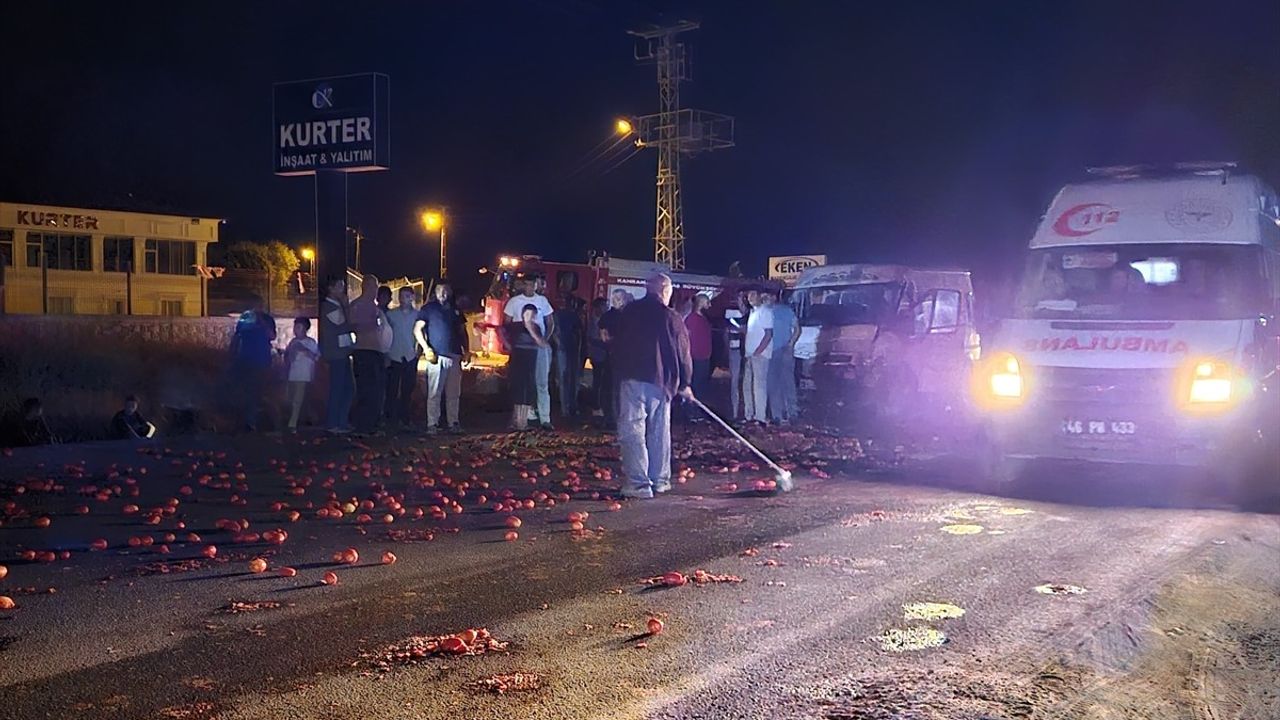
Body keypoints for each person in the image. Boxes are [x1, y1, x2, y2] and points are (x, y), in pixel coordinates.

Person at [613, 273, 694, 499]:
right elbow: (683, 352)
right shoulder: (671, 317)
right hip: (661, 382)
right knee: (659, 431)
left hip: (631, 377)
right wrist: (685, 382)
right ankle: (659, 480)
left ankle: (638, 484)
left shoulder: (629, 312)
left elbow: (616, 343)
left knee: (633, 430)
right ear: (665, 291)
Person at [415, 281, 470, 434]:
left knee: (454, 393)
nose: (443, 293)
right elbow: (417, 330)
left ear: (450, 292)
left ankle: (454, 423)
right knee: (434, 393)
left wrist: (467, 351)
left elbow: (462, 332)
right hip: (437, 356)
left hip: (455, 356)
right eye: (440, 290)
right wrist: (426, 349)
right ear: (435, 292)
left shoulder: (456, 310)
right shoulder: (428, 309)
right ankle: (432, 424)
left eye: (446, 290)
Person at [502, 278, 555, 429]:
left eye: (533, 284)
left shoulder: (543, 301)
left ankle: (545, 419)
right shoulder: (514, 301)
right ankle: (519, 419)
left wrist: (544, 339)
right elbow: (505, 324)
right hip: (521, 348)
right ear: (523, 285)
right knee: (521, 384)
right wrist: (508, 343)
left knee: (542, 382)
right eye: (528, 283)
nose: (530, 287)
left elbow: (550, 321)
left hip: (538, 347)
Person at [228, 296, 276, 432]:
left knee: (256, 391)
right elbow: (237, 336)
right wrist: (231, 354)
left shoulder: (267, 319)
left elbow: (272, 336)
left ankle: (253, 421)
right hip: (243, 360)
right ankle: (243, 421)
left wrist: (260, 321)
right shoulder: (245, 319)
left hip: (261, 361)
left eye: (257, 305)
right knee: (243, 390)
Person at [349, 276, 389, 435]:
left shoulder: (374, 307)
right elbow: (353, 326)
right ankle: (363, 426)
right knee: (366, 390)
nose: (375, 290)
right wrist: (373, 323)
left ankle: (372, 424)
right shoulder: (357, 305)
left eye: (376, 286)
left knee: (377, 391)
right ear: (365, 286)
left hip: (377, 352)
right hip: (364, 352)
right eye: (373, 286)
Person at [320, 276, 356, 434]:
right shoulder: (329, 307)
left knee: (348, 388)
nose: (343, 290)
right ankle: (333, 423)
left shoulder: (336, 305)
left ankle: (341, 421)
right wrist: (347, 306)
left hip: (343, 351)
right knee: (339, 388)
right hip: (336, 353)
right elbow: (345, 323)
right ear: (331, 288)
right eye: (340, 286)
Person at [502, 303, 546, 431]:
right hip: (517, 359)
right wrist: (507, 344)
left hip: (530, 361)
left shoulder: (536, 327)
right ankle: (517, 421)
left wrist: (530, 328)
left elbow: (542, 343)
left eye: (532, 315)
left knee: (528, 391)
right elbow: (500, 329)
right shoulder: (516, 326)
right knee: (518, 390)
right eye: (527, 314)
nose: (529, 317)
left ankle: (523, 422)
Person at [384, 286, 421, 429]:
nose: (402, 299)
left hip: (410, 356)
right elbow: (386, 335)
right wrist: (386, 353)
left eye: (406, 296)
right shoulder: (391, 315)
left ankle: (405, 418)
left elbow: (421, 334)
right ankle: (390, 419)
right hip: (394, 356)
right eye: (400, 296)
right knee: (391, 389)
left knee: (408, 389)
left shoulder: (418, 315)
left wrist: (418, 351)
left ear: (412, 297)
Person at [764, 290, 800, 424]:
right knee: (782, 382)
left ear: (773, 297)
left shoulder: (778, 311)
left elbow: (797, 329)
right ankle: (784, 413)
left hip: (778, 350)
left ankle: (783, 413)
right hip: (779, 350)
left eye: (767, 296)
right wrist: (791, 344)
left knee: (778, 383)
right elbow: (797, 329)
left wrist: (790, 344)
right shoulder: (783, 311)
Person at [597, 289, 631, 427]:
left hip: (625, 358)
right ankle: (611, 417)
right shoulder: (608, 316)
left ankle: (618, 418)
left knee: (621, 388)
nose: (617, 300)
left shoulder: (630, 315)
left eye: (620, 298)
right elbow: (603, 335)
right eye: (615, 298)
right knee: (610, 387)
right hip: (611, 357)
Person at [283, 318, 320, 433]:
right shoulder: (293, 342)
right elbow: (288, 357)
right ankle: (309, 418)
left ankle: (292, 424)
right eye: (295, 327)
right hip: (292, 375)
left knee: (297, 400)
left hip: (304, 375)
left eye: (298, 327)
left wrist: (304, 350)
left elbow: (316, 357)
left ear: (305, 329)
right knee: (290, 399)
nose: (295, 330)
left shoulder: (311, 342)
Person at [742, 289, 773, 425]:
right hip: (750, 354)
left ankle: (760, 417)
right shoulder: (752, 312)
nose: (750, 298)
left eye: (753, 295)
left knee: (759, 386)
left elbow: (768, 334)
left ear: (760, 296)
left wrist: (758, 351)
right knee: (747, 385)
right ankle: (749, 414)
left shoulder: (765, 312)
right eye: (748, 295)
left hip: (760, 355)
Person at [552, 294, 585, 418]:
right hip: (571, 350)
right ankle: (570, 407)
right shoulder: (574, 316)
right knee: (571, 380)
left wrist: (559, 344)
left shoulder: (559, 314)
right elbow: (579, 333)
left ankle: (565, 408)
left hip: (566, 349)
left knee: (564, 379)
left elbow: (554, 332)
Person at [684, 293, 714, 415]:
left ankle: (697, 411)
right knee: (696, 385)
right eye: (707, 303)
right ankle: (691, 412)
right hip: (695, 357)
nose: (710, 306)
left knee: (701, 385)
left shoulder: (702, 319)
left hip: (704, 356)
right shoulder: (692, 319)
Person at [725, 291, 750, 420]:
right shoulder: (731, 311)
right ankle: (735, 411)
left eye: (743, 297)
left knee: (747, 381)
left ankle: (747, 411)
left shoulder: (750, 313)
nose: (741, 299)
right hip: (735, 349)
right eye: (739, 297)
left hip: (748, 350)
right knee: (735, 381)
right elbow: (728, 329)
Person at [587, 297, 610, 420]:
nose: (606, 308)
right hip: (598, 356)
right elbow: (593, 339)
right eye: (604, 306)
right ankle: (596, 406)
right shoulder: (595, 321)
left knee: (600, 381)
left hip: (601, 355)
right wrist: (608, 344)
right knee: (598, 382)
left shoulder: (600, 320)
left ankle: (599, 405)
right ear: (598, 307)